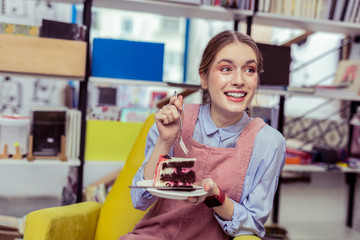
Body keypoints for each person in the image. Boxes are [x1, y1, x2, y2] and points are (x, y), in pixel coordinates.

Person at [121, 30, 286, 240]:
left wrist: (216, 198)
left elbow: (252, 225)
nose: (239, 80)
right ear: (204, 78)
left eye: (249, 70)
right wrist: (165, 142)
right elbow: (139, 199)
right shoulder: (173, 121)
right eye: (226, 69)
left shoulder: (269, 142)